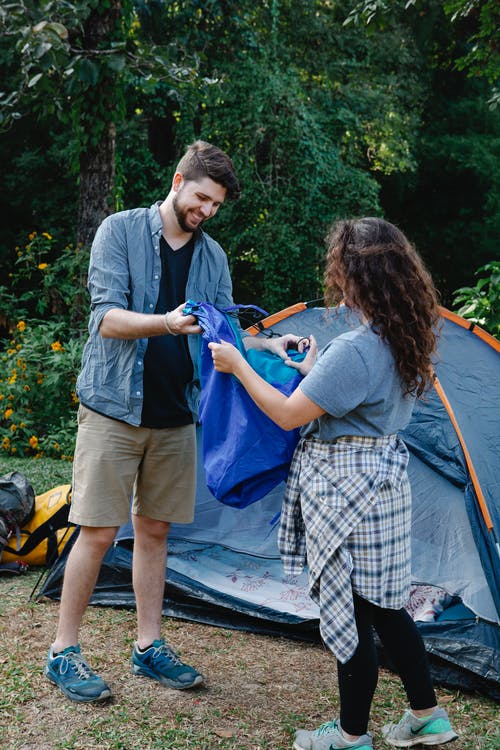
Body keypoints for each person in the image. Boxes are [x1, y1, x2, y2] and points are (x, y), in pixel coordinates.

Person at [45, 140, 304, 704]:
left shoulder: (213, 258)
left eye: (216, 206)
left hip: (177, 414)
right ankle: (63, 651)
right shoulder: (119, 231)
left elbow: (228, 335)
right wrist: (166, 321)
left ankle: (148, 647)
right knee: (96, 531)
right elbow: (105, 320)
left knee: (156, 531)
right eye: (203, 198)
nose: (207, 211)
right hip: (114, 406)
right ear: (179, 179)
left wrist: (272, 342)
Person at [208, 217, 459, 750]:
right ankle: (429, 717)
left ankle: (349, 736)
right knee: (388, 608)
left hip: (345, 490)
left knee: (351, 610)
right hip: (383, 483)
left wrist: (236, 364)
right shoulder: (405, 333)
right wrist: (315, 368)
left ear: (355, 276)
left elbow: (285, 415)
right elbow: (352, 401)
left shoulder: (358, 347)